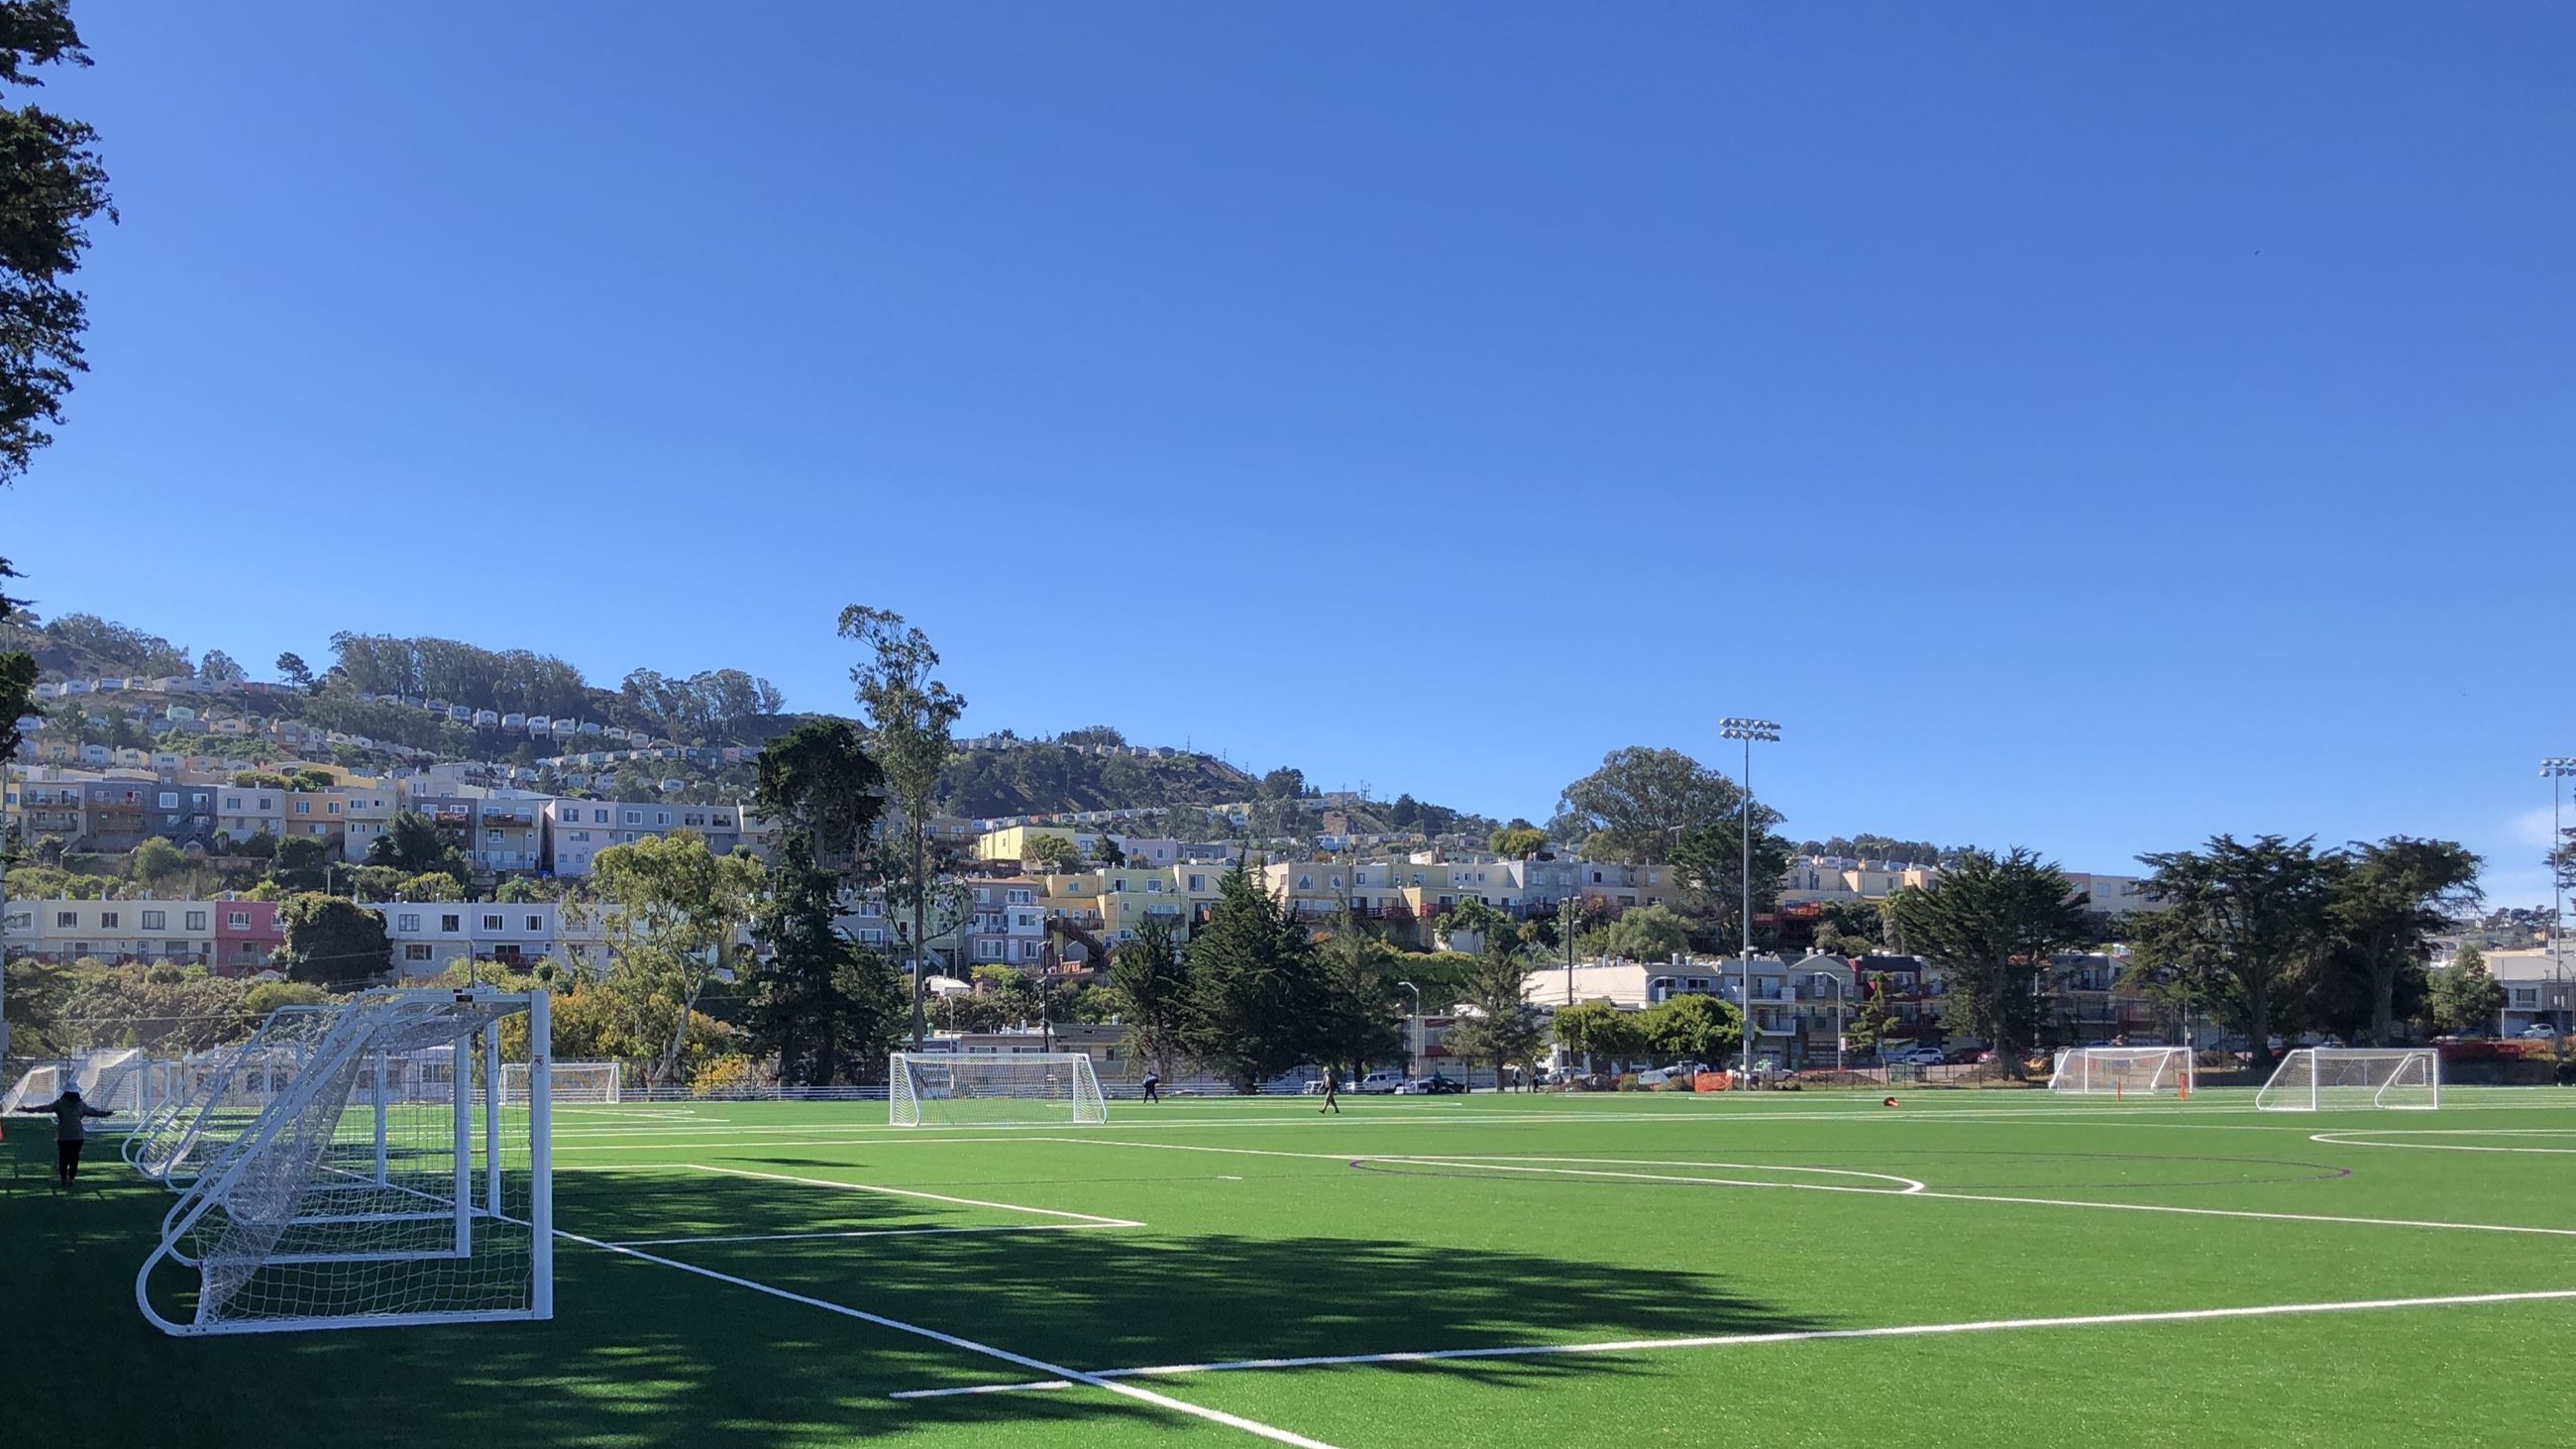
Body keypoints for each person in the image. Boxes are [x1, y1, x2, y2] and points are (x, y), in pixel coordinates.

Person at [13, 1082, 113, 1189]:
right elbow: (93, 1112)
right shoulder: (80, 1104)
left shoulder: (60, 1104)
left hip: (64, 1135)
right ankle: (72, 1178)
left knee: (63, 1158)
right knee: (74, 1157)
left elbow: (43, 1108)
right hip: (77, 1136)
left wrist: (27, 1109)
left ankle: (64, 1178)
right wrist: (106, 1114)